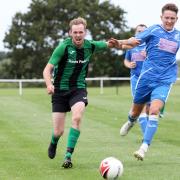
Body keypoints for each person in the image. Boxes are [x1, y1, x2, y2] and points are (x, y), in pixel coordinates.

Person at [43, 17, 138, 168]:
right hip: (59, 91)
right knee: (58, 131)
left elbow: (112, 43)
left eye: (81, 32)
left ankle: (68, 156)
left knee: (77, 117)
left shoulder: (90, 46)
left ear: (85, 32)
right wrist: (49, 85)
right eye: (75, 32)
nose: (78, 35)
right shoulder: (63, 47)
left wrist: (129, 41)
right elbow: (47, 69)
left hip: (78, 89)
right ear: (70, 33)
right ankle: (54, 142)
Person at [110, 3, 180, 161]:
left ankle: (143, 147)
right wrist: (119, 43)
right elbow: (134, 41)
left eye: (172, 18)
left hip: (165, 79)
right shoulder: (154, 30)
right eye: (167, 18)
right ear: (161, 17)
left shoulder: (178, 36)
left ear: (177, 19)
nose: (169, 21)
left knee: (154, 110)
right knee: (135, 111)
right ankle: (130, 121)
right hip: (146, 77)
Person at [123, 24, 149, 135]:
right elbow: (126, 60)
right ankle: (146, 137)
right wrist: (129, 65)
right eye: (139, 31)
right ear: (135, 33)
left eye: (143, 31)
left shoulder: (150, 46)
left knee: (148, 108)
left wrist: (148, 56)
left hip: (149, 78)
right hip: (136, 79)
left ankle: (131, 120)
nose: (140, 33)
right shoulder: (131, 46)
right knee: (141, 107)